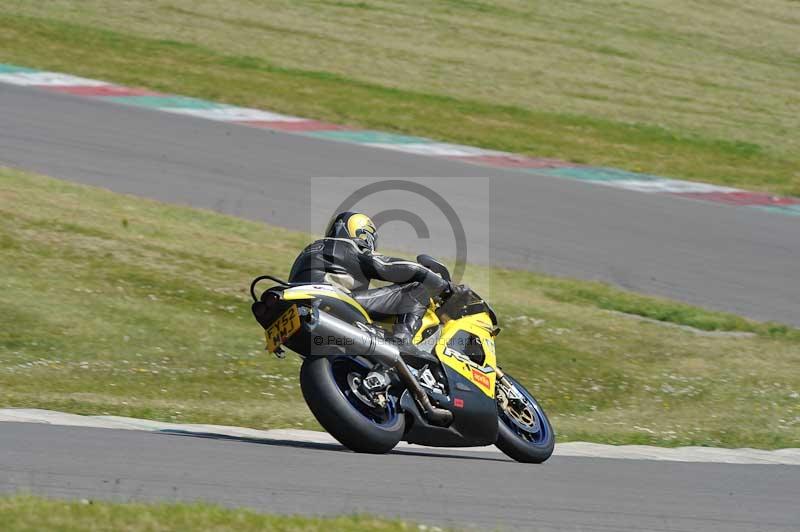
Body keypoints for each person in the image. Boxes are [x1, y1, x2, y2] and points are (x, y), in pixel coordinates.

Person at [288, 211, 453, 347]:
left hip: (298, 310)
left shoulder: (311, 250)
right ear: (364, 234)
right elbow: (392, 267)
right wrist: (443, 286)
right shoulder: (348, 247)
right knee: (418, 288)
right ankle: (402, 342)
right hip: (329, 301)